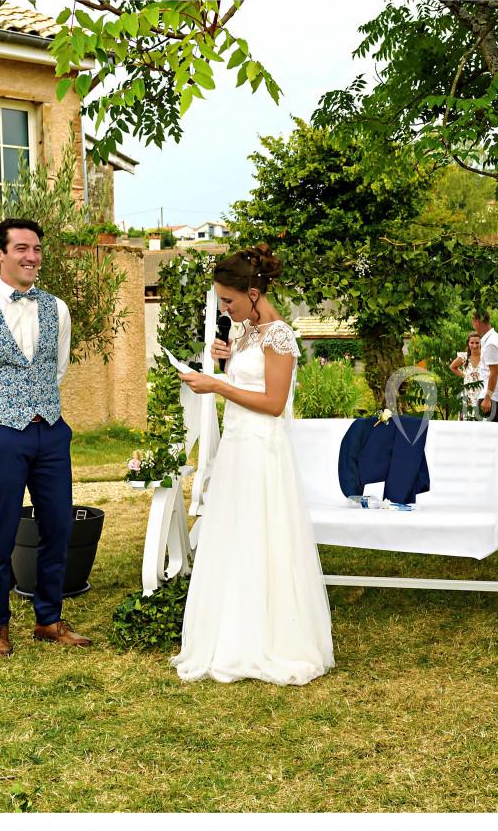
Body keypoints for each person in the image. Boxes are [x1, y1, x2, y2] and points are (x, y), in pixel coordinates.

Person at [170, 245, 335, 685]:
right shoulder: (247, 333)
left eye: (230, 300)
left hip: (263, 449)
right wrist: (222, 363)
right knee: (236, 535)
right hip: (238, 448)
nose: (226, 308)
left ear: (255, 292)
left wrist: (216, 386)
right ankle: (232, 634)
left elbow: (274, 403)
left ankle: (273, 639)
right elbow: (247, 379)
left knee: (265, 536)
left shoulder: (279, 335)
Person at [0, 218, 91, 656]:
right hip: (1, 436)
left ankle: (48, 619)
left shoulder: (58, 309)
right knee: (2, 531)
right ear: (0, 254)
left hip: (50, 431)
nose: (33, 257)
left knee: (58, 526)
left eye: (37, 249)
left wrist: (37, 410)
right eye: (23, 248)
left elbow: (57, 369)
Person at [471, 310, 498, 423]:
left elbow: (494, 372)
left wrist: (487, 398)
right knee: (493, 431)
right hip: (493, 393)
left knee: (487, 433)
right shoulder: (494, 338)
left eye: (473, 322)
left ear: (477, 322)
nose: (473, 326)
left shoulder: (491, 343)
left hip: (491, 395)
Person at [449, 331, 484, 420]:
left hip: (481, 393)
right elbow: (453, 367)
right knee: (466, 420)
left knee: (481, 421)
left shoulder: (485, 356)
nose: (474, 345)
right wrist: (464, 376)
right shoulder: (464, 357)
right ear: (468, 343)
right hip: (468, 394)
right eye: (472, 343)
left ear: (480, 343)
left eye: (477, 342)